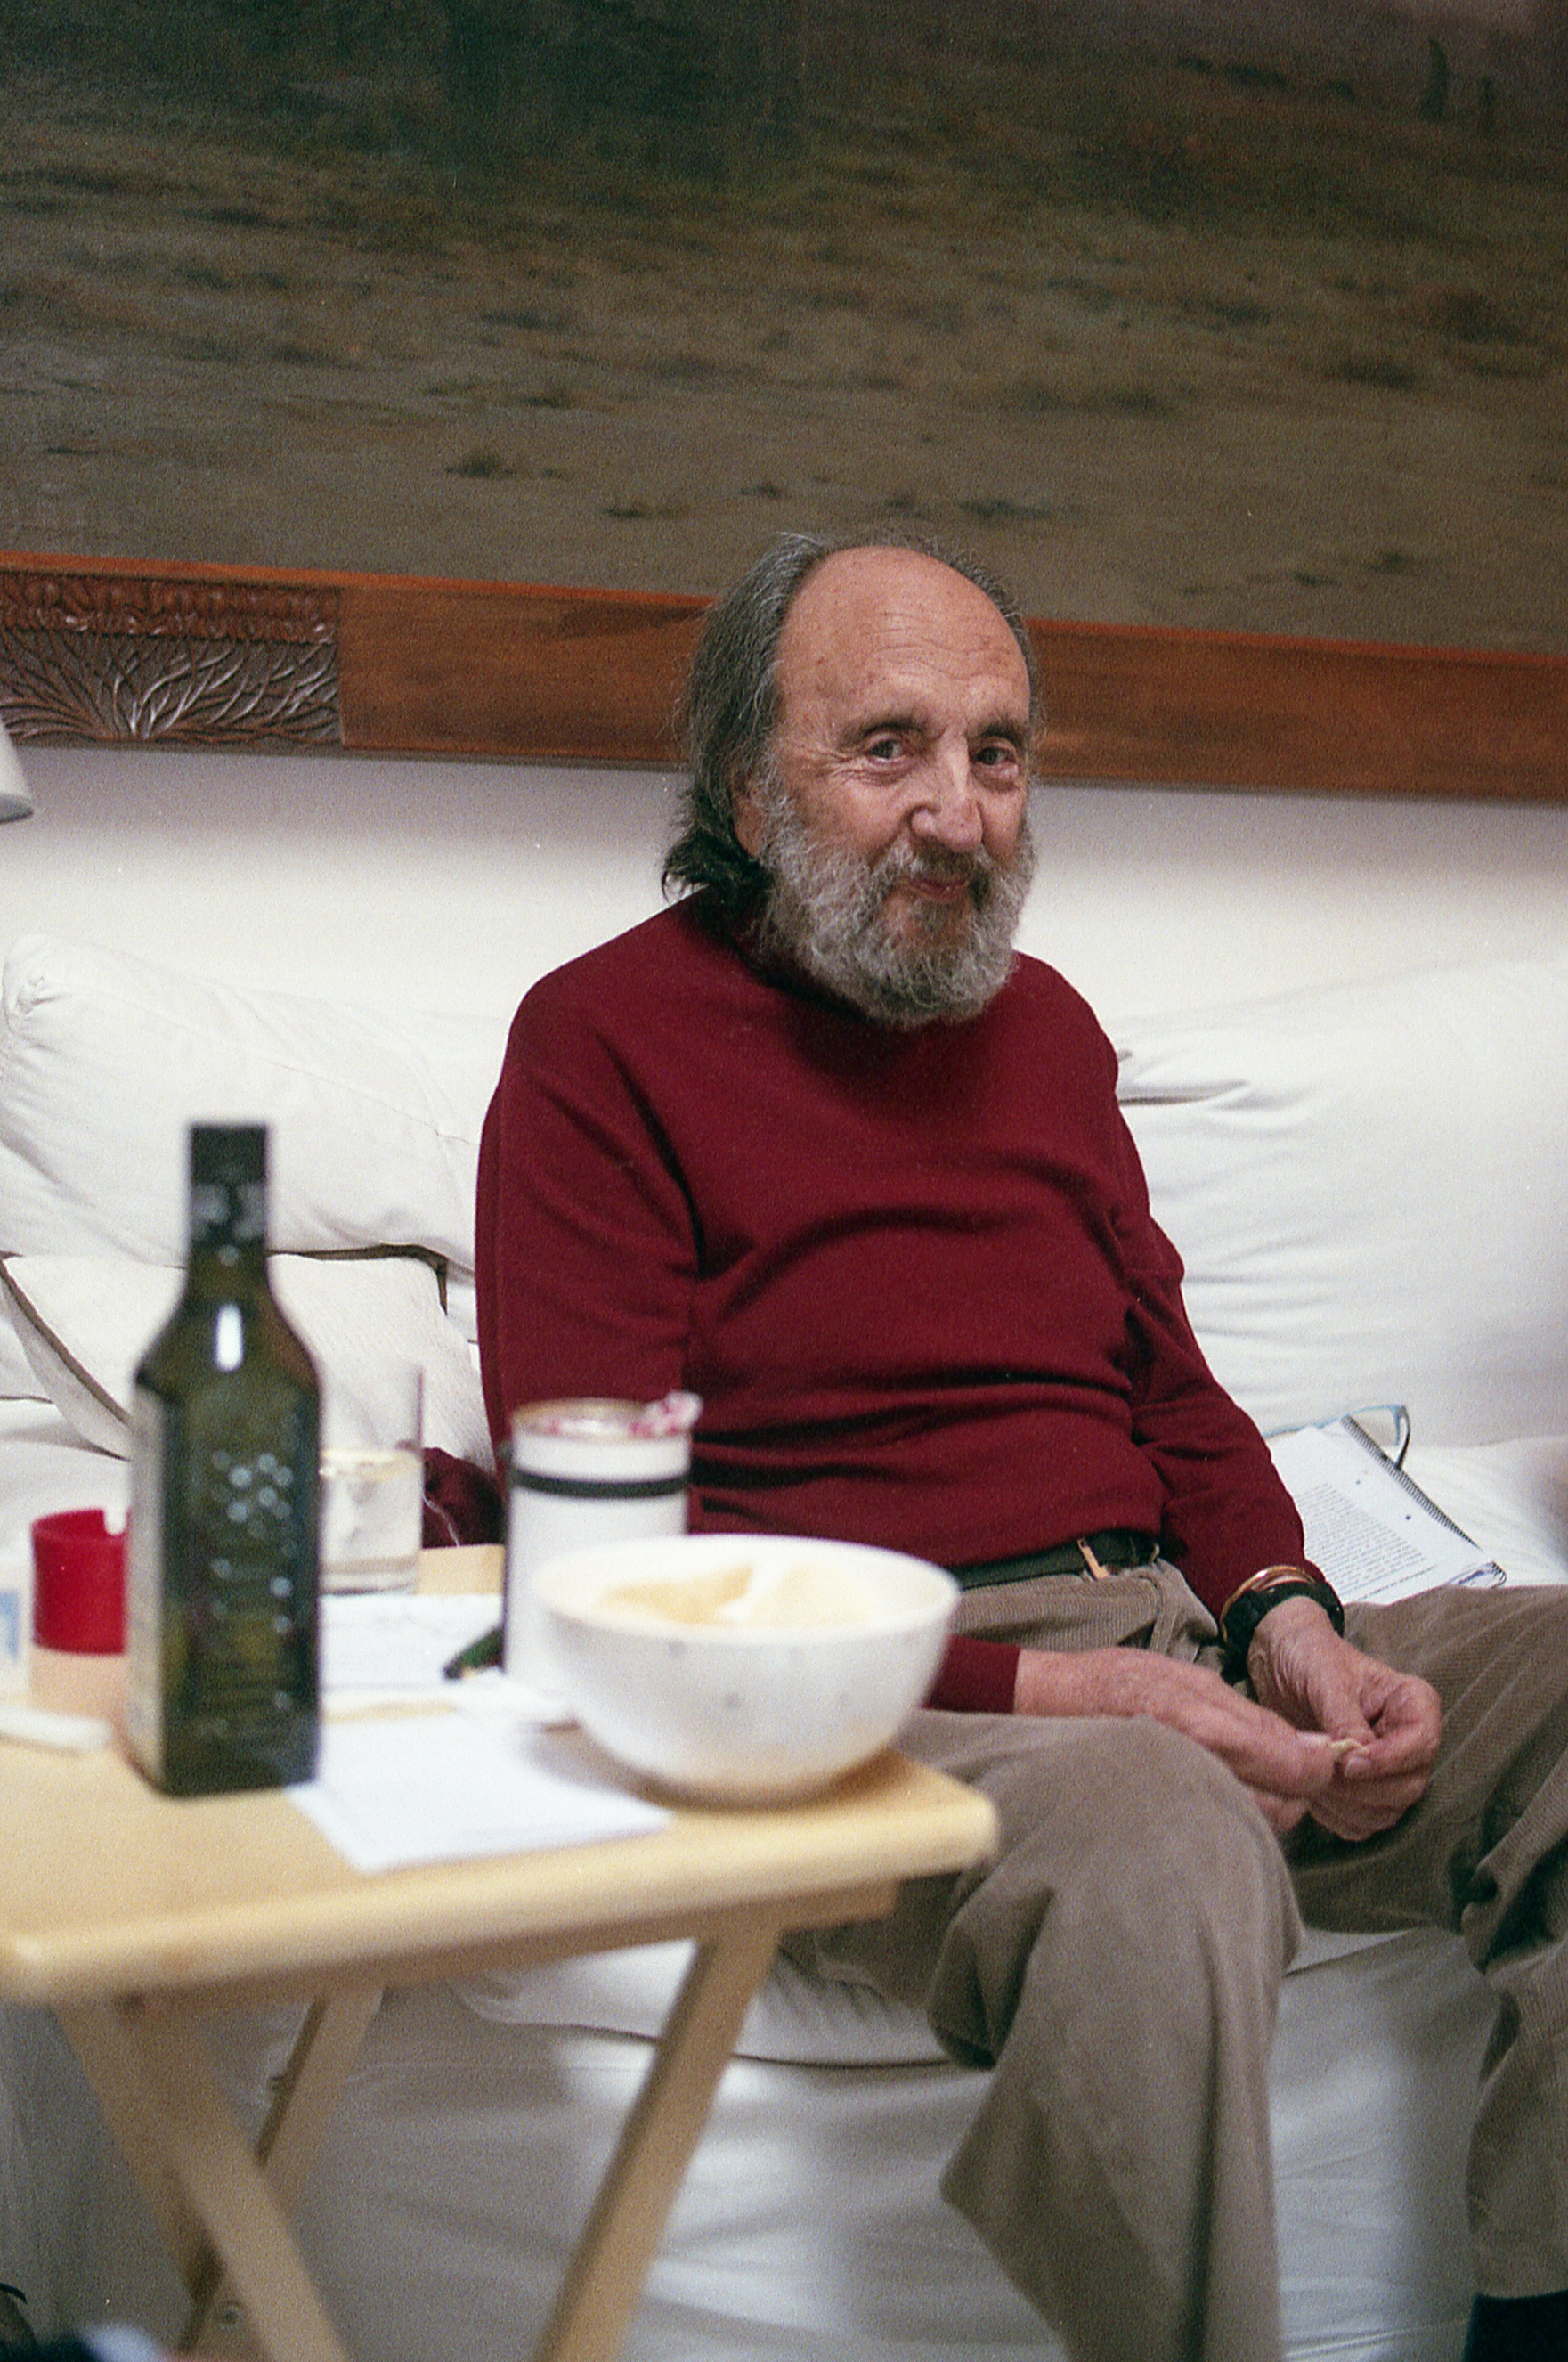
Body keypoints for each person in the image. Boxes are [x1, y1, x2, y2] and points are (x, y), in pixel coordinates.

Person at [475, 531, 1568, 2362]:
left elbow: (1179, 1408)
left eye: (998, 752)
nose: (959, 815)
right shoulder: (599, 1046)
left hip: (1160, 1642)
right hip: (862, 1717)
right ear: (748, 787)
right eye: (886, 747)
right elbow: (611, 1581)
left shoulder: (1049, 1034)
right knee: (1162, 1823)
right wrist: (1104, 1711)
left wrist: (1296, 1636)